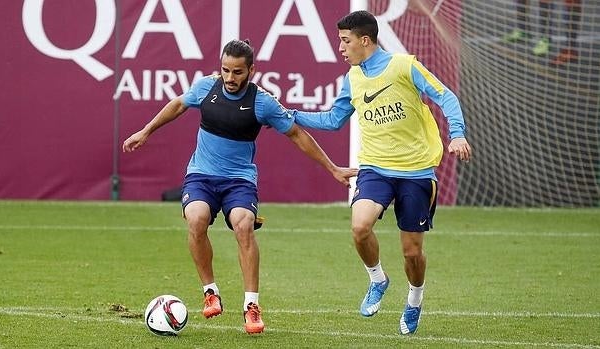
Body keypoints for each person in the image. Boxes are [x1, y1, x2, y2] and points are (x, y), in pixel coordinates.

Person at [123, 39, 357, 334]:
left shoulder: (263, 102)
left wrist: (332, 168)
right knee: (196, 219)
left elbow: (297, 135)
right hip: (202, 175)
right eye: (225, 70)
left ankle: (251, 306)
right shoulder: (207, 87)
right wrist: (146, 131)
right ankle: (210, 291)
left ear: (251, 71)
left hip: (239, 180)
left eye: (237, 72)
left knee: (243, 225)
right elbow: (178, 105)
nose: (230, 78)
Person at [292, 10, 472, 335]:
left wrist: (456, 134)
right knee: (360, 227)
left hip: (416, 171)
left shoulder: (404, 66)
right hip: (374, 167)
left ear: (365, 40)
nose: (341, 48)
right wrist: (291, 114)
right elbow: (334, 120)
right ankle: (378, 279)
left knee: (412, 252)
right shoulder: (353, 78)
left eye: (345, 42)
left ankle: (415, 299)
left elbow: (446, 96)